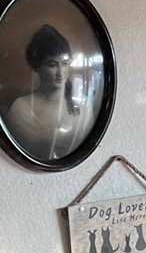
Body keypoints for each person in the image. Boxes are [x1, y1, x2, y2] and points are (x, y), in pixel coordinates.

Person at [5, 24, 91, 162]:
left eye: (64, 63)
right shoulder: (21, 108)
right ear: (37, 67)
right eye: (52, 65)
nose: (60, 73)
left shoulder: (84, 105)